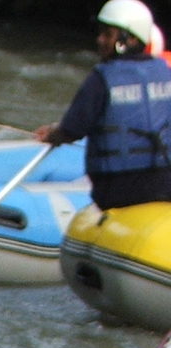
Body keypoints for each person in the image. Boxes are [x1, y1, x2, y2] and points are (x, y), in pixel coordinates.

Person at [35, 0, 171, 211]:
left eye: (108, 34)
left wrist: (52, 134)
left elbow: (72, 129)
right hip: (164, 185)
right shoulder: (165, 72)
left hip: (116, 190)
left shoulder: (102, 78)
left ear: (130, 38)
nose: (100, 40)